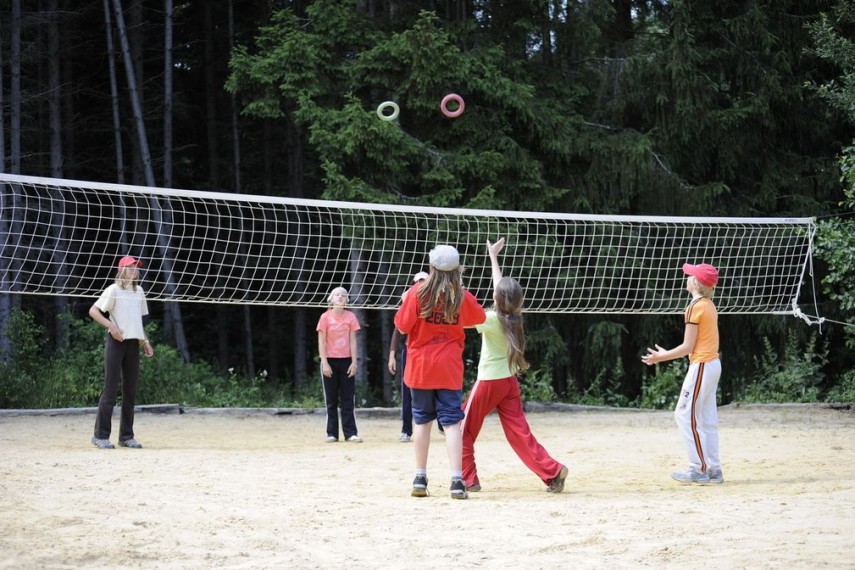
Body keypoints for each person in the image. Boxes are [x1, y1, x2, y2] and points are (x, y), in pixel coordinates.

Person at [461, 238, 568, 493]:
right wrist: (493, 257)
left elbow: (464, 319)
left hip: (489, 382)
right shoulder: (514, 316)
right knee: (520, 433)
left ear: (496, 299)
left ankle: (469, 480)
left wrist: (459, 287)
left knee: (462, 430)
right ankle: (552, 471)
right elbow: (502, 292)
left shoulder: (490, 319)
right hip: (509, 382)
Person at [394, 245, 486, 499]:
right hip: (448, 367)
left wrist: (405, 301)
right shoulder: (461, 296)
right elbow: (479, 318)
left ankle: (420, 477)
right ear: (458, 269)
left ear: (431, 268)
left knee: (422, 421)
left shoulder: (417, 292)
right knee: (451, 423)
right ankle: (457, 480)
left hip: (421, 367)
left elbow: (402, 327)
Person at [641, 262, 724, 485]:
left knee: (684, 414)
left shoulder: (695, 307)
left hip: (702, 365)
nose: (686, 277)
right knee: (706, 419)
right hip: (712, 364)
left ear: (696, 283)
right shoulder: (709, 304)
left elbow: (688, 347)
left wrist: (661, 357)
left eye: (690, 275)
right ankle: (713, 469)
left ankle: (698, 468)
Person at [88, 255, 154, 449]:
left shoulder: (139, 291)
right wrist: (111, 326)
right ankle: (100, 436)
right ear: (122, 270)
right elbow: (93, 311)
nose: (134, 270)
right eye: (130, 267)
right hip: (116, 342)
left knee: (130, 391)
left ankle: (126, 436)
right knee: (110, 389)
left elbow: (136, 321)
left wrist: (145, 341)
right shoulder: (113, 290)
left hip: (133, 344)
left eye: (136, 267)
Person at [317, 286, 363, 443]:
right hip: (329, 360)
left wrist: (354, 363)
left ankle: (350, 433)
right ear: (331, 299)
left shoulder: (351, 317)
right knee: (331, 400)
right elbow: (321, 342)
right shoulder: (325, 317)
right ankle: (332, 433)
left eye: (343, 295)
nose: (340, 297)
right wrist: (324, 362)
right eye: (337, 294)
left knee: (348, 399)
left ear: (346, 301)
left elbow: (353, 341)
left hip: (346, 360)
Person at [388, 271, 429, 443]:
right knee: (407, 391)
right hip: (411, 352)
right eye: (417, 281)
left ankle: (444, 425)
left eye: (423, 281)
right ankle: (406, 430)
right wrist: (392, 355)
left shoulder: (435, 302)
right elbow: (398, 329)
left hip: (430, 352)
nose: (420, 284)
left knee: (436, 389)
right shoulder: (409, 301)